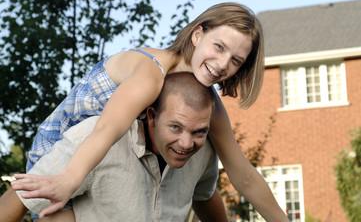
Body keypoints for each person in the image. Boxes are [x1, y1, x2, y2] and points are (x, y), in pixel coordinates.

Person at [11, 2, 288, 221]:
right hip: (63, 152)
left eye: (235, 60)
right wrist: (66, 181)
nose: (222, 63)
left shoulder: (205, 103)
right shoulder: (152, 75)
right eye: (219, 47)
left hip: (108, 163)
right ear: (198, 34)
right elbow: (107, 129)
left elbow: (245, 176)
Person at [3, 72, 227, 222]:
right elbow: (21, 197)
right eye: (176, 127)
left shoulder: (204, 151)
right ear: (152, 116)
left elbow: (204, 195)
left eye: (199, 131)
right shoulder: (93, 139)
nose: (187, 144)